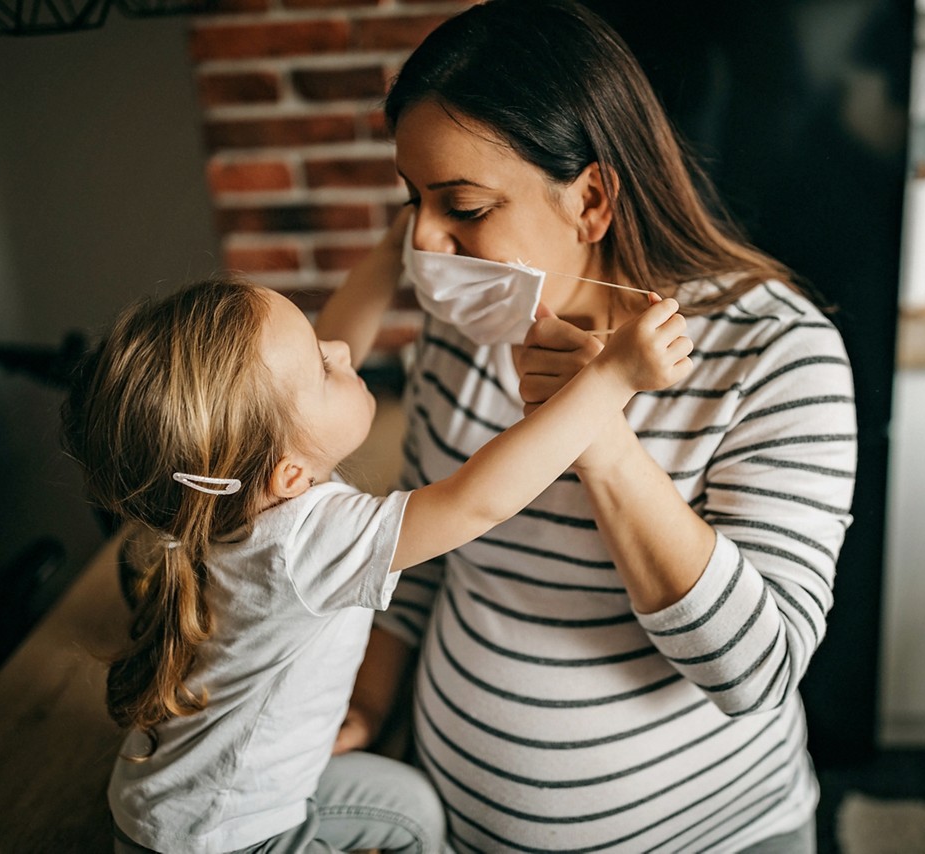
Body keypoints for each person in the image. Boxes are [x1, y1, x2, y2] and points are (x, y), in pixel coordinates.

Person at [327, 1, 858, 852]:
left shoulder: (779, 353)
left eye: (461, 206)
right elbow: (425, 540)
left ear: (593, 199)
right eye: (412, 199)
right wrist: (367, 701)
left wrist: (599, 437)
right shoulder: (468, 318)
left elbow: (755, 669)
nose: (422, 240)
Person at [61, 243, 694, 853]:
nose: (341, 347)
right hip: (239, 837)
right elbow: (477, 500)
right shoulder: (304, 544)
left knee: (409, 806)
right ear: (288, 475)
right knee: (415, 825)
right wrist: (613, 378)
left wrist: (394, 251)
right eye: (322, 364)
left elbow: (326, 358)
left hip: (178, 807)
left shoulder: (227, 501)